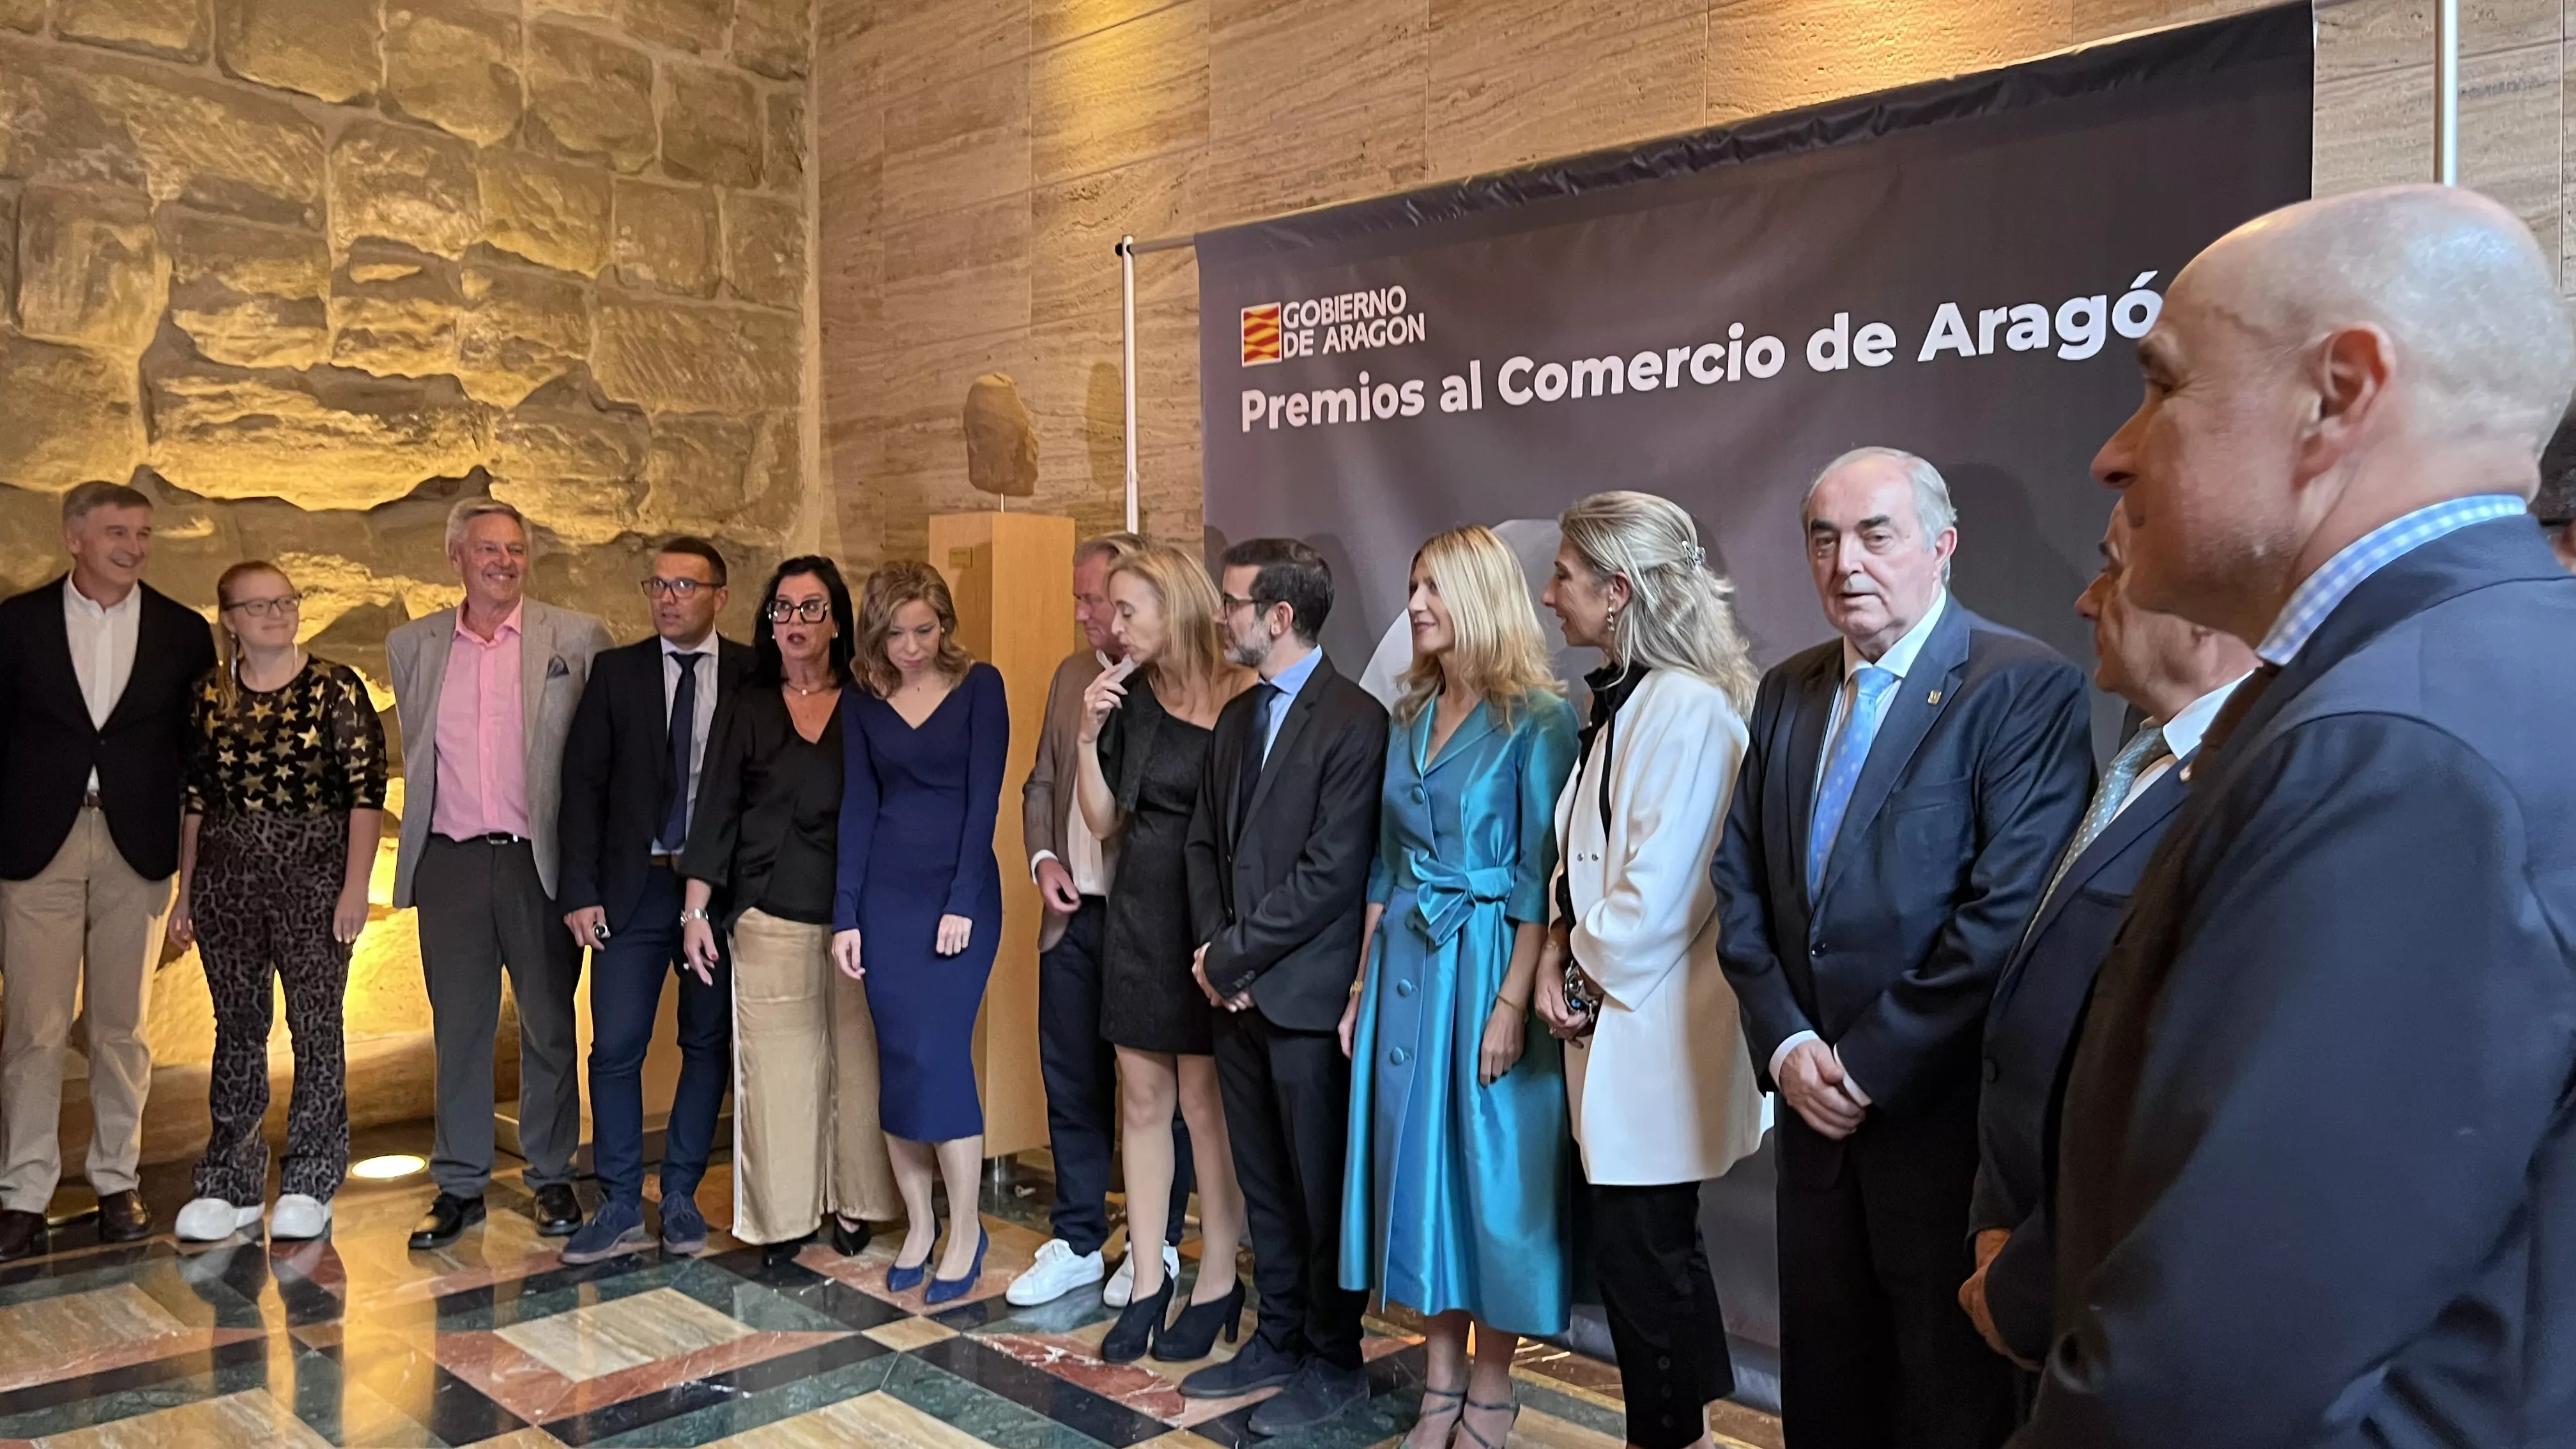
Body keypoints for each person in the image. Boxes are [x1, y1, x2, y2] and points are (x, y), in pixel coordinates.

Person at [2027, 187, 2576, 1446]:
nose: (2117, 451)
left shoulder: (2399, 750)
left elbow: (2216, 1372)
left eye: (2161, 386)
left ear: (2338, 396)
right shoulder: (2484, 673)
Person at [1709, 448, 2091, 1448]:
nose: (1848, 563)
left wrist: (1867, 1064)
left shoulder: (2022, 687)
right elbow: (1741, 889)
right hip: (1810, 1129)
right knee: (1828, 1395)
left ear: (1942, 546)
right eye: (1824, 538)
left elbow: (2004, 914)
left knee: (1944, 1402)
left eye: (1877, 534)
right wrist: (1790, 1049)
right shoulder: (1787, 690)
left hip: (1939, 1133)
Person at [1955, 503, 2251, 1390]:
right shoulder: (2143, 751)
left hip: (2096, 1287)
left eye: (2114, 570)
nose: (2085, 601)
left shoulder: (2244, 788)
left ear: (2203, 610)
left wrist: (2032, 1270)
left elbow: (2179, 1088)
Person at [1533, 493, 1768, 1449]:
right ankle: (1691, 1428)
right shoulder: (1623, 701)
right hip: (1620, 1018)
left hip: (1658, 1026)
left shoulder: (1690, 711)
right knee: (1656, 1249)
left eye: (1566, 577)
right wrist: (1557, 947)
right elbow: (1574, 857)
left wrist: (1578, 977)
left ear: (1618, 590)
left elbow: (1663, 894)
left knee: (1645, 1260)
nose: (1551, 596)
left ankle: (1666, 1435)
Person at [1338, 525, 1579, 1449]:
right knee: (1418, 1176)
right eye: (1412, 586)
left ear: (1479, 596)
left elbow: (1538, 877)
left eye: (1434, 587)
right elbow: (1383, 867)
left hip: (1487, 966)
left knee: (1492, 1181)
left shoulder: (1539, 720)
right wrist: (1361, 985)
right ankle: (1437, 1383)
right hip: (1404, 966)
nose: (1417, 605)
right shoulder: (1406, 719)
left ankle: (1490, 1388)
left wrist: (1513, 1003)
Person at [1179, 538, 1390, 1433]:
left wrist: (1231, 960)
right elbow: (1201, 847)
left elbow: (1331, 873)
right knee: (1264, 1183)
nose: (1219, 617)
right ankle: (1281, 1335)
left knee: (1318, 1189)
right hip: (1234, 1001)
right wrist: (1208, 955)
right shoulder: (1235, 719)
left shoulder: (1356, 720)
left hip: (1304, 1002)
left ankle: (1334, 1359)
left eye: (1231, 603)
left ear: (1279, 617)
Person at [388, 498, 611, 1250]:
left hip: (538, 859)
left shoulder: (574, 638)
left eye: (515, 549)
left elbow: (594, 761)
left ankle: (552, 1177)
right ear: (456, 557)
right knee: (459, 1027)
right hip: (448, 860)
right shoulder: (412, 645)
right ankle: (458, 1185)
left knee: (550, 1023)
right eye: (488, 549)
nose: (505, 562)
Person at [0, 481, 216, 1259]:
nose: (134, 545)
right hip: (36, 849)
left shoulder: (184, 634)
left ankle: (117, 1181)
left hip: (138, 849)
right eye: (118, 531)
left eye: (143, 533)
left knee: (123, 1027)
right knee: (34, 1028)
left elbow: (197, 763)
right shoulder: (16, 624)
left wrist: (192, 880)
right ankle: (24, 1193)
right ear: (74, 538)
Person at [680, 558, 899, 1252]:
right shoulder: (747, 704)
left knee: (858, 1065)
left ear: (837, 621)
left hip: (856, 915)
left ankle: (857, 1203)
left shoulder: (868, 702)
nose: (795, 622)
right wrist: (696, 913)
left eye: (811, 609)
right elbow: (714, 809)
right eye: (783, 610)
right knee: (777, 1074)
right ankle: (784, 1217)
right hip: (768, 912)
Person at [167, 562, 384, 1245]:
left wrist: (356, 888)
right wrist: (186, 890)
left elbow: (364, 794)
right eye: (258, 605)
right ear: (228, 617)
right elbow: (196, 798)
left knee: (317, 1028)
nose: (276, 614)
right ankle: (229, 1181)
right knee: (237, 1027)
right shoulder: (207, 695)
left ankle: (312, 1177)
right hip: (228, 879)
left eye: (286, 601)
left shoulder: (335, 689)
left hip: (315, 878)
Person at [1073, 542, 1254, 1362]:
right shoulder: (1131, 698)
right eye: (1109, 610)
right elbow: (1105, 822)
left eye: (1126, 610)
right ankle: (1148, 1280)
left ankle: (1220, 1276)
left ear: (1174, 606)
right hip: (1142, 911)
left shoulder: (1246, 690)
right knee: (1140, 1102)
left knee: (1204, 1107)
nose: (1112, 626)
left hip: (1211, 917)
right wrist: (1086, 737)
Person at [1011, 531, 1195, 1310]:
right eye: (1083, 599)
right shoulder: (1067, 676)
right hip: (1069, 918)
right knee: (1071, 1082)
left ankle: (1157, 1243)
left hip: (1143, 920)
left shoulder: (1170, 690)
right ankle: (1080, 1237)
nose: (1089, 616)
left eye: (1103, 601)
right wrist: (1043, 861)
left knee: (1158, 1092)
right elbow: (1039, 784)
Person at [555, 538, 752, 1264]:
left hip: (718, 893)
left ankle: (681, 1196)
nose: (668, 598)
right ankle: (616, 1202)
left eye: (684, 585)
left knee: (705, 1042)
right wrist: (580, 890)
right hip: (632, 888)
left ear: (719, 597)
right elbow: (581, 788)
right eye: (658, 584)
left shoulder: (752, 674)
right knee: (615, 1047)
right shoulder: (617, 673)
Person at [831, 562, 1009, 1302]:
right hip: (885, 902)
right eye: (897, 633)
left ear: (945, 624)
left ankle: (966, 1226)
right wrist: (846, 914)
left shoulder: (981, 687)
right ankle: (919, 1223)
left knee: (940, 1055)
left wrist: (962, 899)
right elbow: (858, 808)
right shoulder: (862, 701)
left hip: (958, 894)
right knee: (899, 1059)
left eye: (925, 630)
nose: (911, 647)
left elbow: (985, 799)